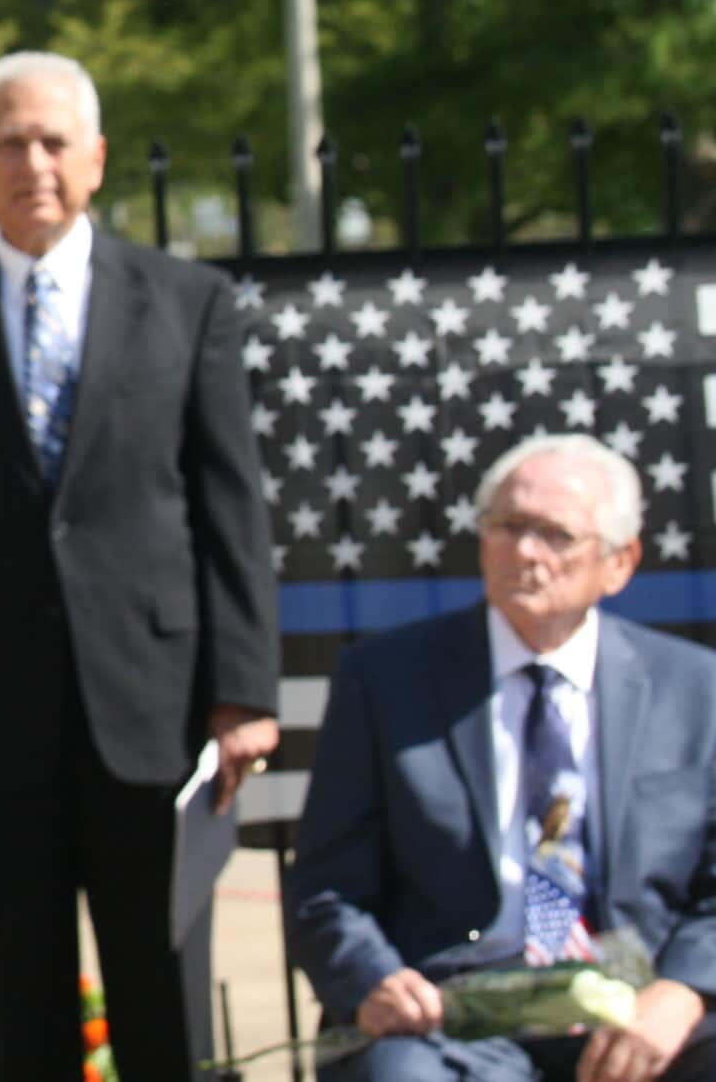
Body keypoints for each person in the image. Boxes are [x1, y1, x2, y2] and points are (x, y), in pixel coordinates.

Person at [0, 49, 278, 1080]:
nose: (32, 162)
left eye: (53, 141)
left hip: (155, 717)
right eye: (9, 142)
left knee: (164, 1017)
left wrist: (242, 693)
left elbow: (230, 510)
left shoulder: (187, 304)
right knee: (9, 1020)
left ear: (93, 159)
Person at [289, 434, 716, 1082]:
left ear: (619, 561)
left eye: (555, 534)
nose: (525, 552)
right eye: (508, 526)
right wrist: (376, 980)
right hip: (455, 1015)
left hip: (640, 1002)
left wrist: (685, 989)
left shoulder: (695, 688)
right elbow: (327, 886)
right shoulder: (387, 680)